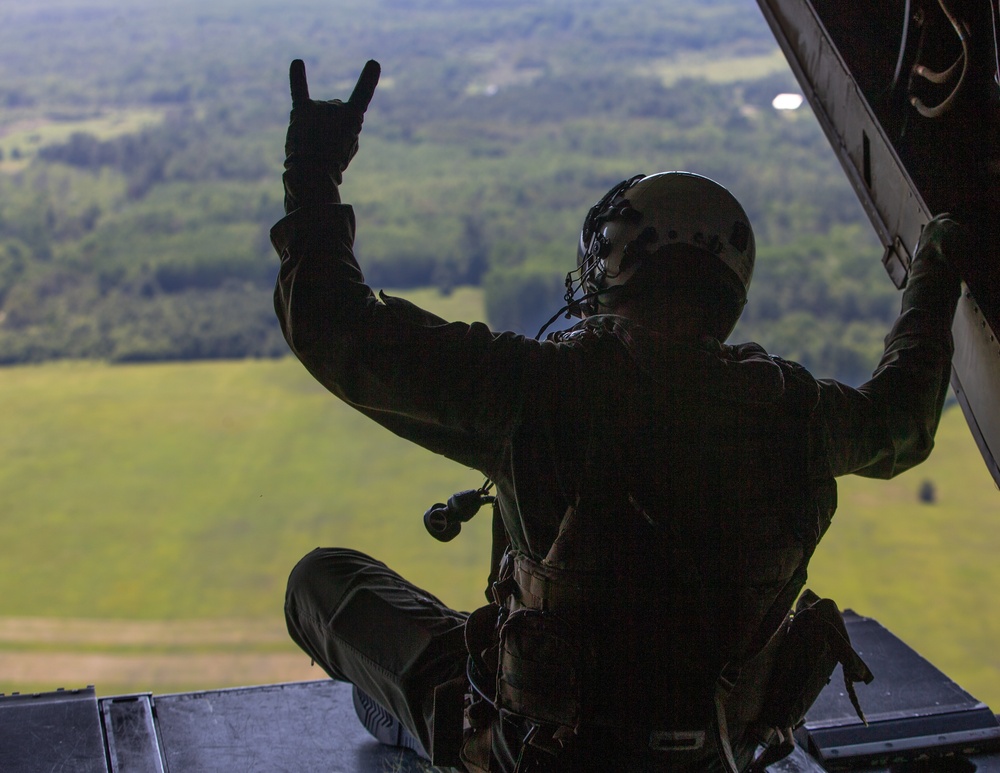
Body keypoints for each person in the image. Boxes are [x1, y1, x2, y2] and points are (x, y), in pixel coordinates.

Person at [273, 59, 966, 772]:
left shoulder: (538, 389)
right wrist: (936, 269)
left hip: (543, 756)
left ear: (611, 265)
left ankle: (426, 718)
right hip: (717, 757)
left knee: (319, 582)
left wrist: (314, 169)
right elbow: (906, 419)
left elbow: (335, 327)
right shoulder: (801, 413)